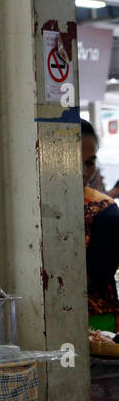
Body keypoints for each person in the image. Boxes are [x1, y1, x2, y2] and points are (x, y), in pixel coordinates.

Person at [81, 120, 119, 327]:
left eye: (90, 162)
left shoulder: (105, 210)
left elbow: (96, 277)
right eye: (75, 161)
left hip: (97, 320)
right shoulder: (22, 209)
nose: (85, 172)